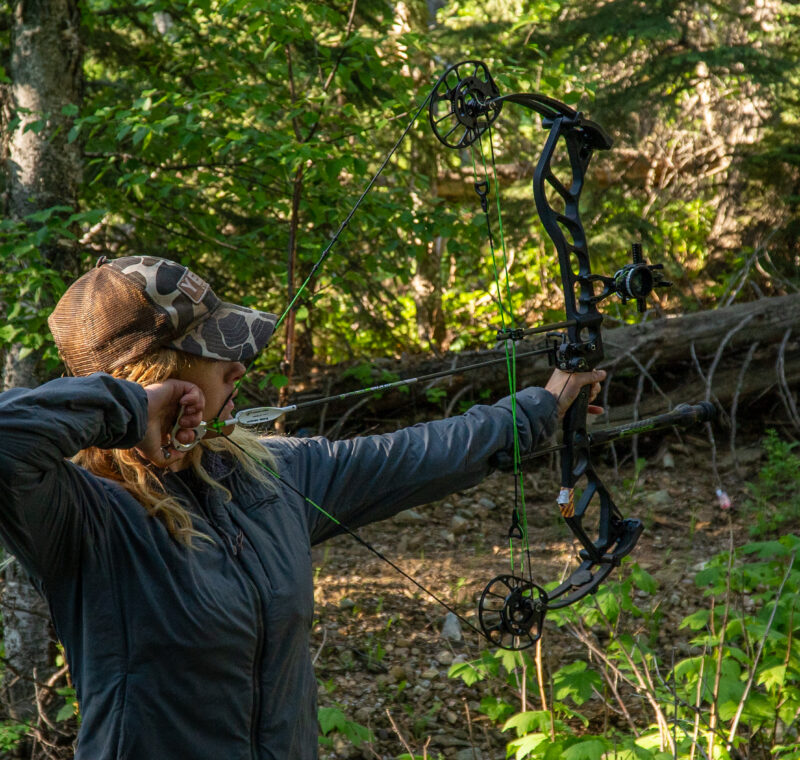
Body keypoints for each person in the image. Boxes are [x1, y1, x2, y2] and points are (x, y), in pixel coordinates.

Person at [0, 255, 605, 759]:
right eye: (214, 350)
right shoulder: (80, 515)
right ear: (158, 373)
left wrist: (539, 410)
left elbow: (413, 454)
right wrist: (131, 408)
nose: (240, 365)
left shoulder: (262, 474)